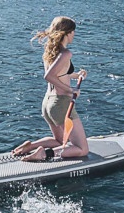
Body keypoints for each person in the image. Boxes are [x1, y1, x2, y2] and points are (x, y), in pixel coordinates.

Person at [13, 16, 89, 161]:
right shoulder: (66, 53)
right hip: (60, 103)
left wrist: (76, 75)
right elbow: (49, 76)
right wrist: (70, 91)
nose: (74, 34)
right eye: (73, 31)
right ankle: (44, 154)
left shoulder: (50, 52)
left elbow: (60, 74)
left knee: (61, 142)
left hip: (48, 104)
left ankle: (31, 146)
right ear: (67, 33)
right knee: (81, 149)